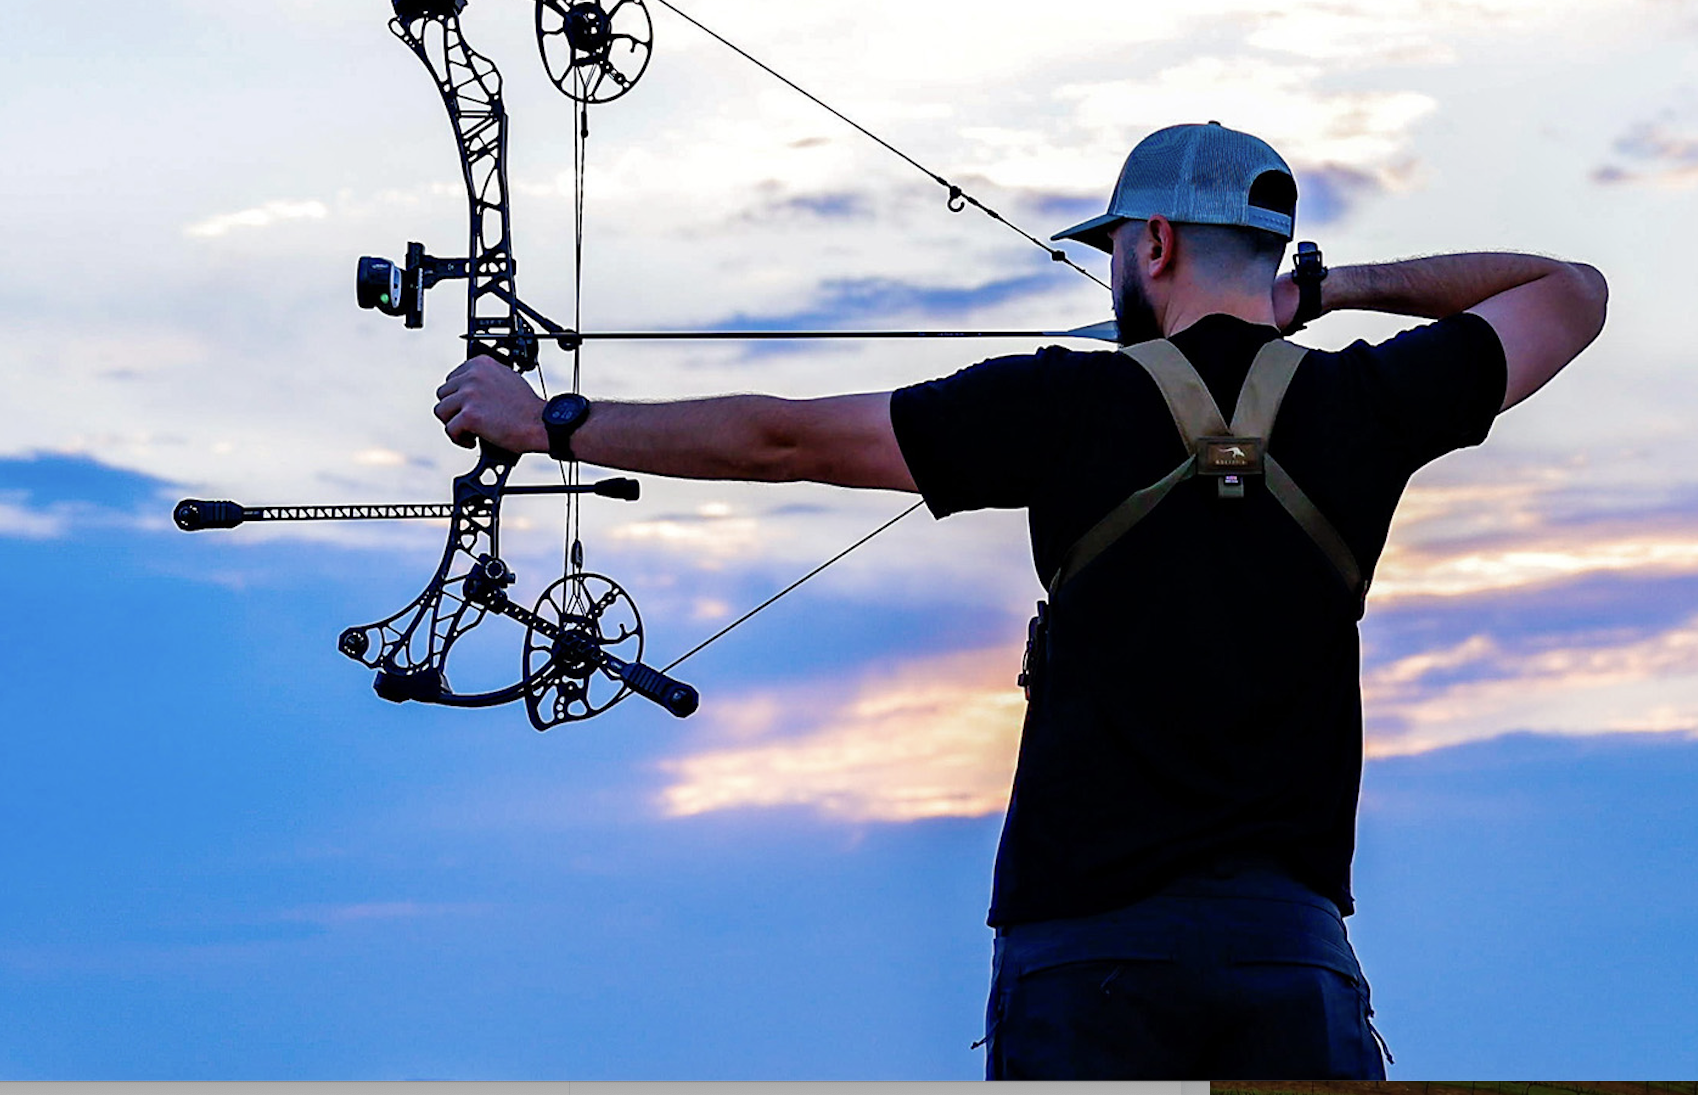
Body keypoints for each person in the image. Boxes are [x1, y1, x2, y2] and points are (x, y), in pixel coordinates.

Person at [432, 121, 1608, 1079]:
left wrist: (547, 423)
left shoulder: (1059, 405)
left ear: (1152, 242)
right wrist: (1337, 287)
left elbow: (783, 437)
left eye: (1114, 248)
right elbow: (1573, 288)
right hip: (1286, 952)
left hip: (1082, 950)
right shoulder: (1372, 402)